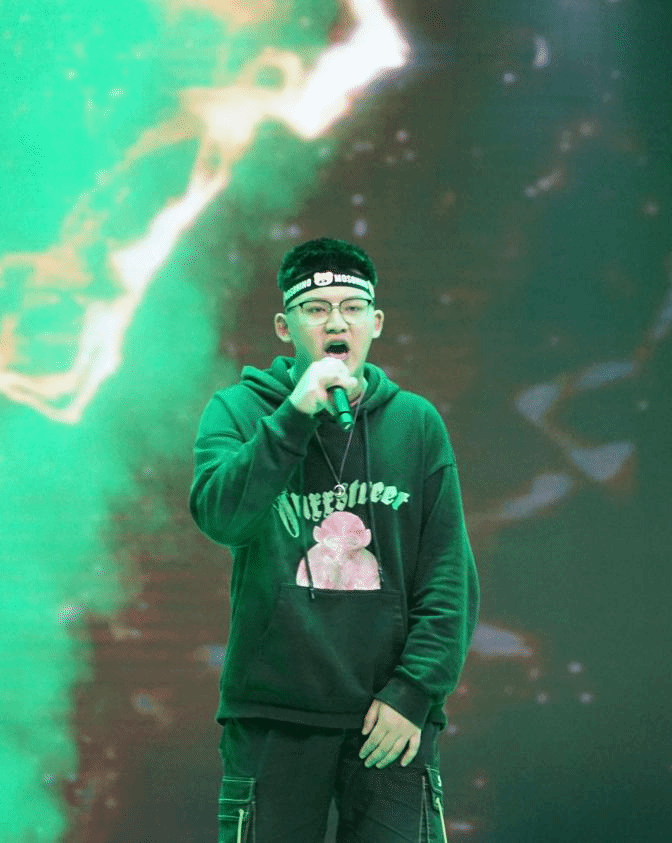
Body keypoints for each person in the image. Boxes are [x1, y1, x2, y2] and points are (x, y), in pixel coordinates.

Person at [190, 237, 480, 842]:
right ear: (284, 326)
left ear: (375, 323)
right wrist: (292, 418)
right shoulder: (238, 412)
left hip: (390, 720)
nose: (336, 322)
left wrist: (413, 693)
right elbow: (222, 519)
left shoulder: (416, 423)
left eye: (352, 308)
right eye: (315, 309)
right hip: (273, 715)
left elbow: (448, 576)